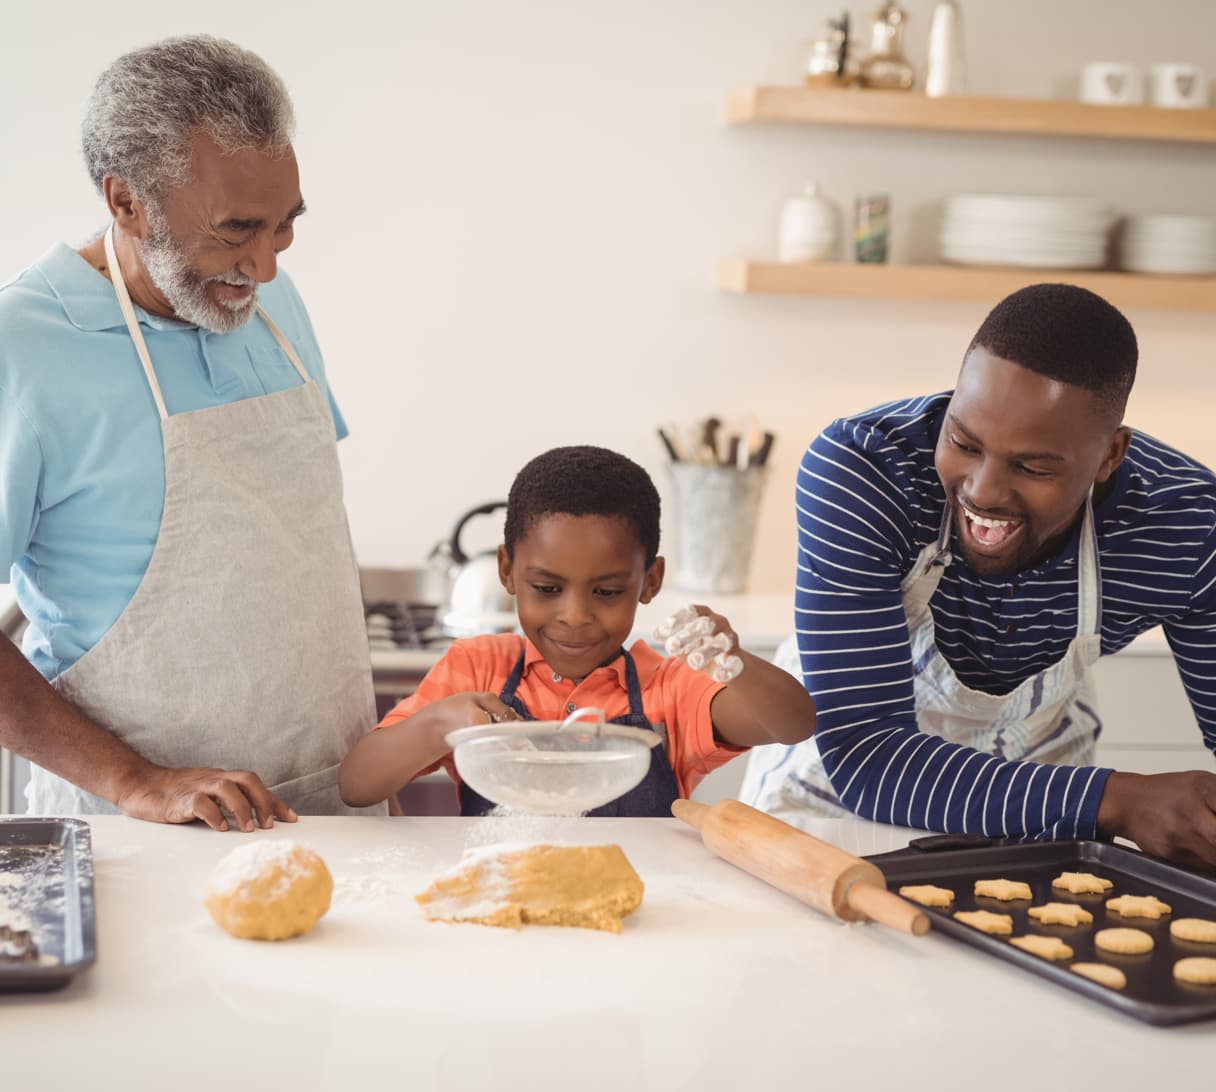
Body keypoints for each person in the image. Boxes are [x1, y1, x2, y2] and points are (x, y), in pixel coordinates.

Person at [0, 36, 385, 828]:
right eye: (236, 229)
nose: (266, 267)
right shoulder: (21, 347)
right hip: (145, 835)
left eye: (284, 228)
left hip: (337, 810)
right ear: (126, 202)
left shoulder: (268, 304)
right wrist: (139, 781)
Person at [741, 283, 1216, 870]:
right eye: (963, 442)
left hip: (1044, 803)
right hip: (834, 809)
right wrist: (1119, 800)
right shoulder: (864, 470)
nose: (983, 490)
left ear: (1110, 456)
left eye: (1032, 466)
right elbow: (867, 757)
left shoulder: (1187, 528)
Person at [339, 445, 816, 814]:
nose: (575, 615)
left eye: (606, 592)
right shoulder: (478, 666)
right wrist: (438, 724)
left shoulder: (669, 687)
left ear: (649, 581)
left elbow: (794, 724)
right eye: (547, 588)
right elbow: (357, 787)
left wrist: (734, 664)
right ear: (507, 570)